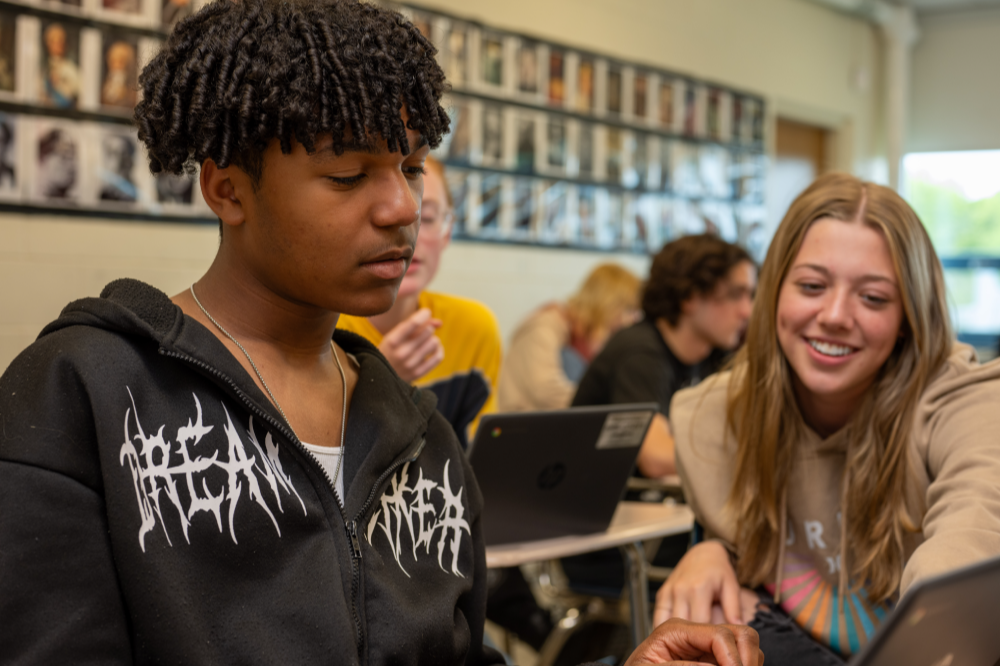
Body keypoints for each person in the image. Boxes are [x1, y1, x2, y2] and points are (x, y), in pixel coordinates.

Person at [0, 2, 767, 664]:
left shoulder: (416, 431)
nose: (402, 207)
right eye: (348, 175)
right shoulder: (86, 393)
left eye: (412, 167)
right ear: (226, 188)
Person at [655, 172, 1000, 665]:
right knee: (708, 614)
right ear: (773, 291)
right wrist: (715, 549)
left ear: (908, 317)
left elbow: (974, 539)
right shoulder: (715, 413)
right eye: (812, 286)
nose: (836, 315)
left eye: (874, 297)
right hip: (794, 643)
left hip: (924, 653)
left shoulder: (965, 401)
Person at [337, 156, 502, 450]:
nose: (406, 232)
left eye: (425, 218)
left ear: (447, 232)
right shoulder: (323, 335)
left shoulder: (474, 328)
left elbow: (477, 459)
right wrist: (379, 384)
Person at [572, 233, 756, 478]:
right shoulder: (639, 351)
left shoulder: (717, 355)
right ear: (690, 297)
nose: (747, 311)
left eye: (750, 296)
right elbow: (656, 458)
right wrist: (751, 463)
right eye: (735, 295)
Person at [498, 262, 641, 413]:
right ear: (609, 304)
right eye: (629, 309)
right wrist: (605, 399)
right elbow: (546, 391)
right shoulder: (545, 325)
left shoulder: (591, 338)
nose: (633, 319)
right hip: (520, 424)